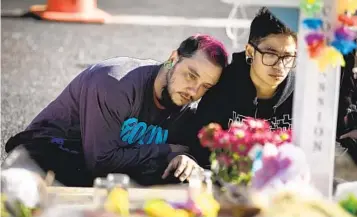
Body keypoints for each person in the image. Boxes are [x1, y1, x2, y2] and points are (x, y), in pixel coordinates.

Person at [4, 34, 228, 186]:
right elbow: (100, 162)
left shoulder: (187, 106)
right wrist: (166, 150)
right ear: (172, 59)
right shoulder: (115, 82)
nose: (194, 90)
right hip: (49, 151)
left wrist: (185, 158)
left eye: (205, 86)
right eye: (191, 75)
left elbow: (185, 153)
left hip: (98, 166)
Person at [186, 8, 298, 168]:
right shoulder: (223, 86)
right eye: (270, 54)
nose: (280, 66)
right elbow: (200, 149)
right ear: (250, 51)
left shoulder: (301, 93)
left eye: (288, 57)